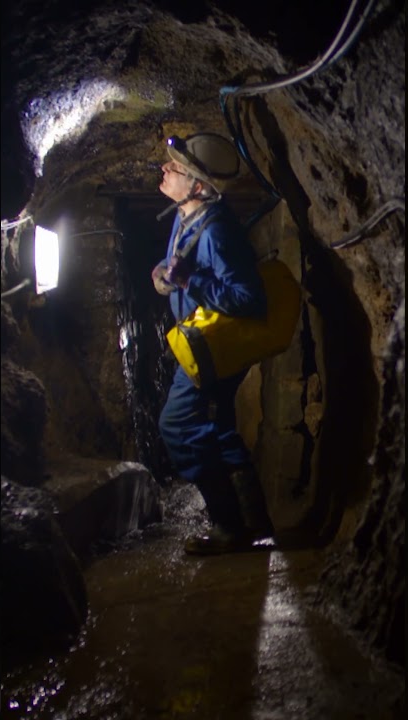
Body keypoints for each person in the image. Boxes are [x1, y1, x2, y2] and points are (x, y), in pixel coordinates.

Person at [152, 132, 274, 555]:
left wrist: (190, 281)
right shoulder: (185, 216)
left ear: (199, 186)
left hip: (214, 348)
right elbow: (176, 264)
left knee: (177, 425)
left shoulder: (218, 231)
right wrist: (163, 275)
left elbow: (248, 299)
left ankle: (227, 524)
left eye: (176, 167)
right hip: (198, 343)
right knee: (218, 429)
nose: (165, 169)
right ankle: (254, 525)